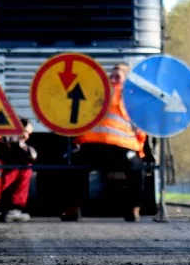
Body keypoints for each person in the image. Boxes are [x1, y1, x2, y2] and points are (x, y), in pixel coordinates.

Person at [62, 63, 148, 222]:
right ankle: (73, 208)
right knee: (75, 164)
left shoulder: (133, 99)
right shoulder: (98, 94)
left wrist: (139, 150)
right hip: (93, 146)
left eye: (117, 77)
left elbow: (141, 127)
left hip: (121, 148)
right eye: (111, 76)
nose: (113, 80)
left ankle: (133, 209)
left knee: (136, 167)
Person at [0, 118, 35, 222]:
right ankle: (13, 211)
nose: (26, 136)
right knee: (25, 167)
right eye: (25, 132)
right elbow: (31, 155)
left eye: (29, 134)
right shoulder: (7, 139)